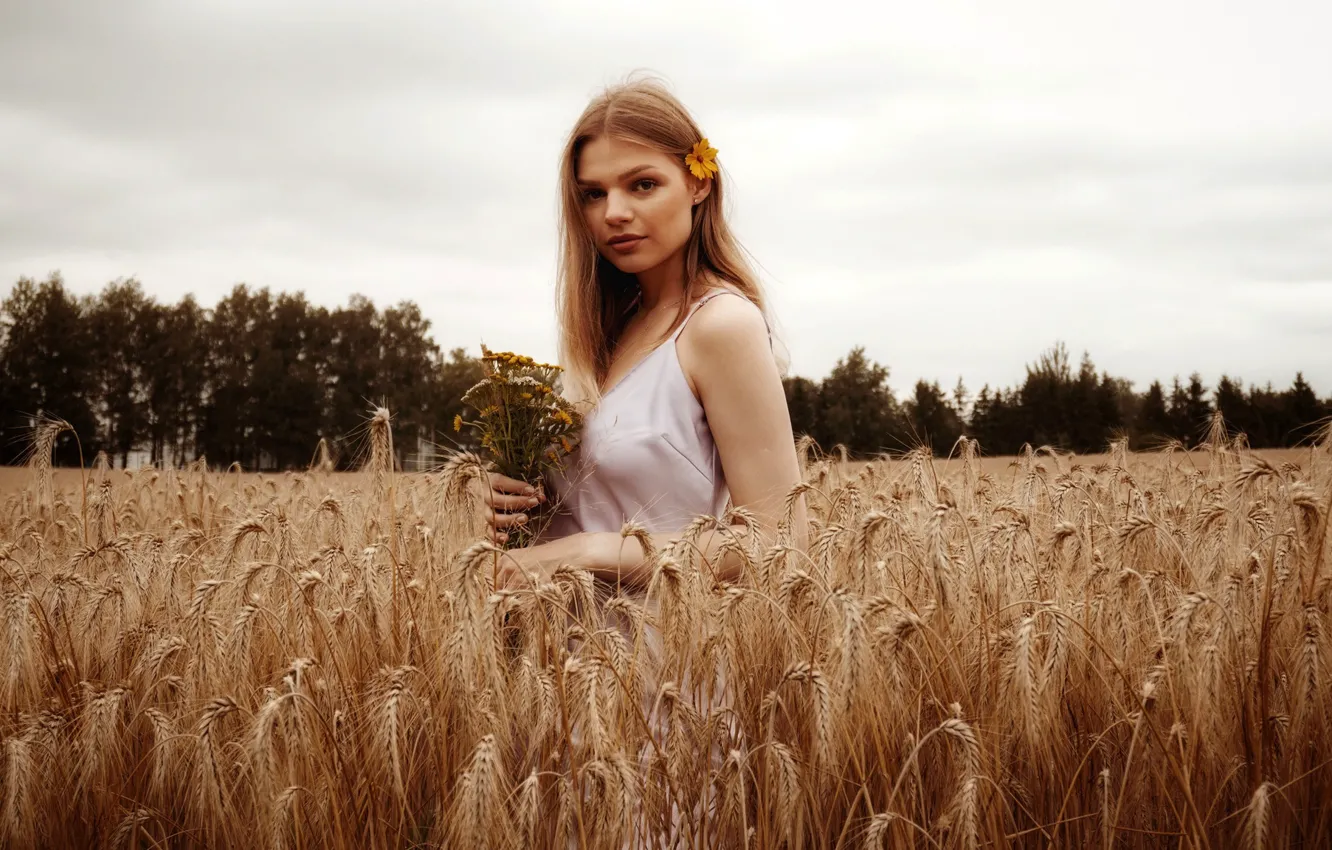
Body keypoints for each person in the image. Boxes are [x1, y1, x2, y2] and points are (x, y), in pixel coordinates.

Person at [482, 76, 808, 590]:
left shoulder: (719, 326)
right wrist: (519, 504)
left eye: (643, 185)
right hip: (568, 661)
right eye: (593, 194)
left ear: (699, 183)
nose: (614, 212)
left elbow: (777, 542)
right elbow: (600, 503)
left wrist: (586, 550)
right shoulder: (609, 334)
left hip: (667, 658)